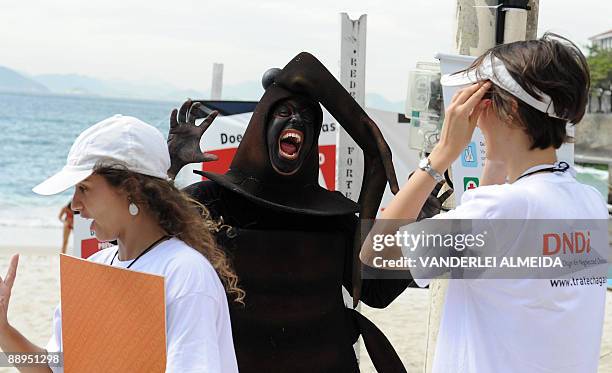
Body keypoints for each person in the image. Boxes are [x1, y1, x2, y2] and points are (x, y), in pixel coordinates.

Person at [166, 53, 437, 372]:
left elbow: (375, 291)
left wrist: (418, 225)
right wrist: (169, 168)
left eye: (308, 118)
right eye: (285, 112)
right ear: (262, 124)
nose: (297, 122)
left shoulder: (334, 219)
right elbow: (144, 244)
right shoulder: (209, 202)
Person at [360, 34, 609, 373]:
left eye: (483, 98)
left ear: (512, 110)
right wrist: (494, 156)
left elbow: (376, 252)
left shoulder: (501, 212)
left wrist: (442, 155)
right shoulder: (589, 203)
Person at [0, 115, 243, 372]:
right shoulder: (94, 268)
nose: (74, 205)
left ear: (131, 189)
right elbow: (55, 367)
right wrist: (4, 330)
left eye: (84, 188)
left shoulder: (185, 275)